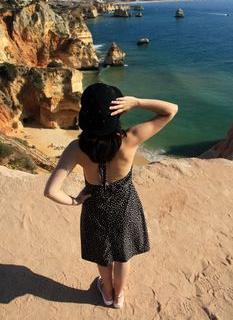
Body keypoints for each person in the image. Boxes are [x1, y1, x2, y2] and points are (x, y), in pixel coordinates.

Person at [44, 82, 178, 308]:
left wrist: (75, 200)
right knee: (122, 254)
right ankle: (119, 296)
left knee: (102, 254)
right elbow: (171, 109)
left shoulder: (76, 148)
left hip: (94, 205)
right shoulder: (131, 138)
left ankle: (106, 291)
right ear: (117, 112)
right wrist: (136, 102)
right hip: (125, 204)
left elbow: (50, 191)